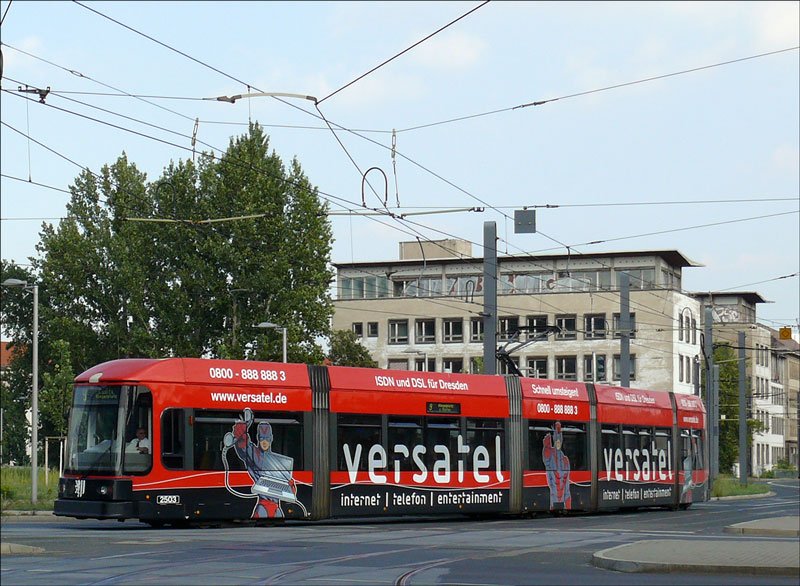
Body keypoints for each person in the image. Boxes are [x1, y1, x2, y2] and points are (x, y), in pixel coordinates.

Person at [230, 418, 296, 518]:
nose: (264, 442)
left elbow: (291, 491)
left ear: (271, 439)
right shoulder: (255, 454)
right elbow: (244, 447)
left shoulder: (276, 461)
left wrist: (290, 485)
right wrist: (242, 433)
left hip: (276, 507)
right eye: (262, 439)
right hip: (262, 506)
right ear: (258, 438)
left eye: (267, 439)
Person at [543, 421, 571, 510]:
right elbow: (546, 459)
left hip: (562, 496)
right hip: (554, 498)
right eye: (556, 435)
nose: (558, 441)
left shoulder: (565, 461)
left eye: (560, 436)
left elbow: (566, 488)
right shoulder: (550, 456)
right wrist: (546, 447)